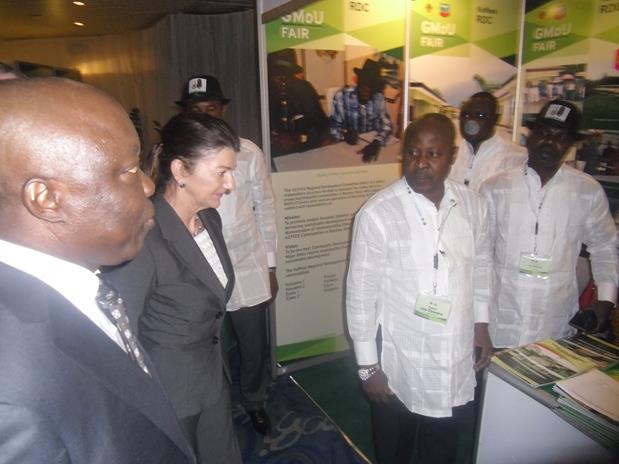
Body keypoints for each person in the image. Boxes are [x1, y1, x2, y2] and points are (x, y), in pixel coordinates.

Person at [0, 78, 194, 463]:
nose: (148, 186)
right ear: (47, 198)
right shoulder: (12, 394)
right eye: (128, 169)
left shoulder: (78, 282)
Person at [346, 113, 493, 464]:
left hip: (454, 349)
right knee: (395, 446)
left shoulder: (473, 205)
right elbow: (360, 294)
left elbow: (482, 266)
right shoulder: (378, 213)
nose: (420, 163)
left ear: (452, 156)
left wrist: (481, 324)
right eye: (412, 153)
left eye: (433, 154)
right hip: (401, 353)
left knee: (442, 443)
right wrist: (367, 366)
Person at [104, 112, 242, 463]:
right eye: (221, 172)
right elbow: (120, 334)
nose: (230, 184)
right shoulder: (143, 235)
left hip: (213, 377)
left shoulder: (210, 218)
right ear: (180, 170)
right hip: (171, 394)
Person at [178, 74, 278, 435]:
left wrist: (270, 265)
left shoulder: (248, 152)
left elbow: (265, 207)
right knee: (207, 346)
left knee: (254, 345)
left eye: (212, 107)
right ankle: (216, 407)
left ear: (222, 109)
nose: (205, 115)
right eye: (197, 109)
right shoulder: (177, 157)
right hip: (201, 268)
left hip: (247, 263)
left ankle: (254, 401)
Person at [480, 100, 618, 349]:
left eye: (560, 137)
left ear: (571, 144)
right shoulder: (495, 188)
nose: (549, 142)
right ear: (531, 136)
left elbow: (605, 246)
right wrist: (478, 321)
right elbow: (480, 255)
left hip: (554, 327)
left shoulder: (587, 191)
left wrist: (605, 301)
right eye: (543, 133)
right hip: (500, 323)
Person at [449, 92, 526, 191]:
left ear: (495, 119)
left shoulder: (515, 158)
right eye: (466, 115)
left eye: (480, 116)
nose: (471, 121)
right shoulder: (451, 155)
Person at [267, 49, 330, 156]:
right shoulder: (262, 91)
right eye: (276, 74)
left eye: (286, 73)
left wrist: (324, 139)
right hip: (272, 151)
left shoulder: (303, 88)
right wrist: (274, 137)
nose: (282, 79)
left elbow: (320, 121)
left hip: (305, 150)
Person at [329, 58, 393, 162]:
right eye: (364, 89)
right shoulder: (341, 96)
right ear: (358, 82)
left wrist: (377, 142)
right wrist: (344, 136)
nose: (366, 95)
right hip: (347, 149)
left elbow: (387, 125)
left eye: (371, 91)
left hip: (371, 146)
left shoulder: (379, 97)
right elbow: (333, 127)